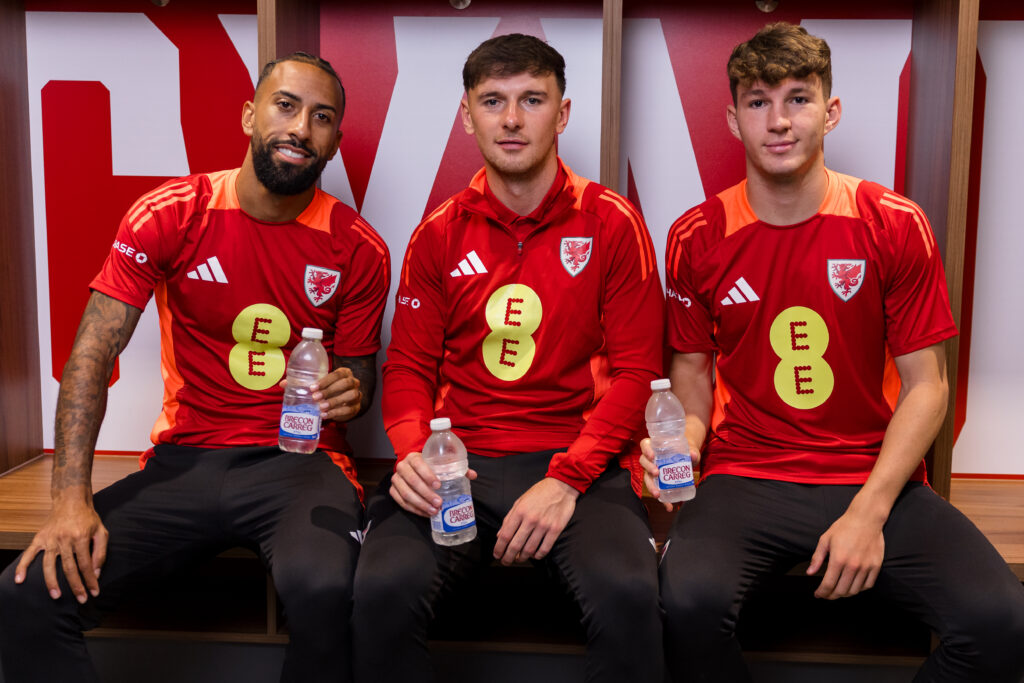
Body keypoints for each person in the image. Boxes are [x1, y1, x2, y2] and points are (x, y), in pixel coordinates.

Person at [645, 22, 1024, 682]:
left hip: (870, 471)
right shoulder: (697, 235)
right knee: (684, 602)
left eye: (799, 98)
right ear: (733, 121)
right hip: (748, 473)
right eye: (759, 102)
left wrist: (868, 512)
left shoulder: (891, 221)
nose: (780, 120)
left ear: (832, 110)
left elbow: (928, 384)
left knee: (1001, 622)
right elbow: (691, 380)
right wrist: (680, 441)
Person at [0, 52, 390, 683]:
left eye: (321, 118)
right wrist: (70, 499)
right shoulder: (171, 213)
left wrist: (352, 391)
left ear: (334, 142)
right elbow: (92, 355)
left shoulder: (359, 247)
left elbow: (360, 377)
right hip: (189, 458)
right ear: (249, 115)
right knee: (26, 595)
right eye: (285, 106)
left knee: (325, 594)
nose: (300, 128)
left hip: (302, 466)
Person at [351, 33, 664, 682]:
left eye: (532, 99)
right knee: (380, 588)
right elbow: (407, 367)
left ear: (564, 112)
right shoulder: (438, 231)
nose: (513, 119)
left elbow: (638, 372)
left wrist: (568, 477)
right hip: (458, 462)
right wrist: (413, 454)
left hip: (579, 461)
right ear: (468, 116)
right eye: (493, 101)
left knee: (631, 592)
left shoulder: (611, 221)